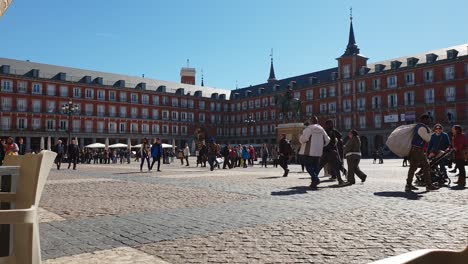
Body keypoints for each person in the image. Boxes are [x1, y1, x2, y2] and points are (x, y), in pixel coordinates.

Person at [405, 114, 438, 192]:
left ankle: (408, 185)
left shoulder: (419, 127)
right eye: (428, 119)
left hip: (415, 150)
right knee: (426, 165)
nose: (429, 121)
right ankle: (429, 185)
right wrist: (430, 132)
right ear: (424, 120)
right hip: (418, 150)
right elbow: (428, 138)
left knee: (412, 167)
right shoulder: (422, 128)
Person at [299, 116, 330, 189]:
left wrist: (300, 138)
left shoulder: (309, 128)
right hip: (318, 151)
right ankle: (314, 183)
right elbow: (327, 139)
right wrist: (322, 145)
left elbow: (304, 139)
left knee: (308, 165)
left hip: (309, 151)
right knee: (316, 166)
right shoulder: (321, 129)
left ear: (311, 121)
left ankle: (315, 179)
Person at [319, 120, 346, 185]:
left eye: (332, 124)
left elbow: (339, 136)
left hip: (327, 152)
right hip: (330, 151)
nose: (332, 125)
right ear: (327, 125)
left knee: (321, 166)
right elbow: (339, 136)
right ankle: (340, 180)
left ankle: (314, 181)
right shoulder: (329, 131)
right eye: (330, 124)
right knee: (320, 166)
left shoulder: (327, 131)